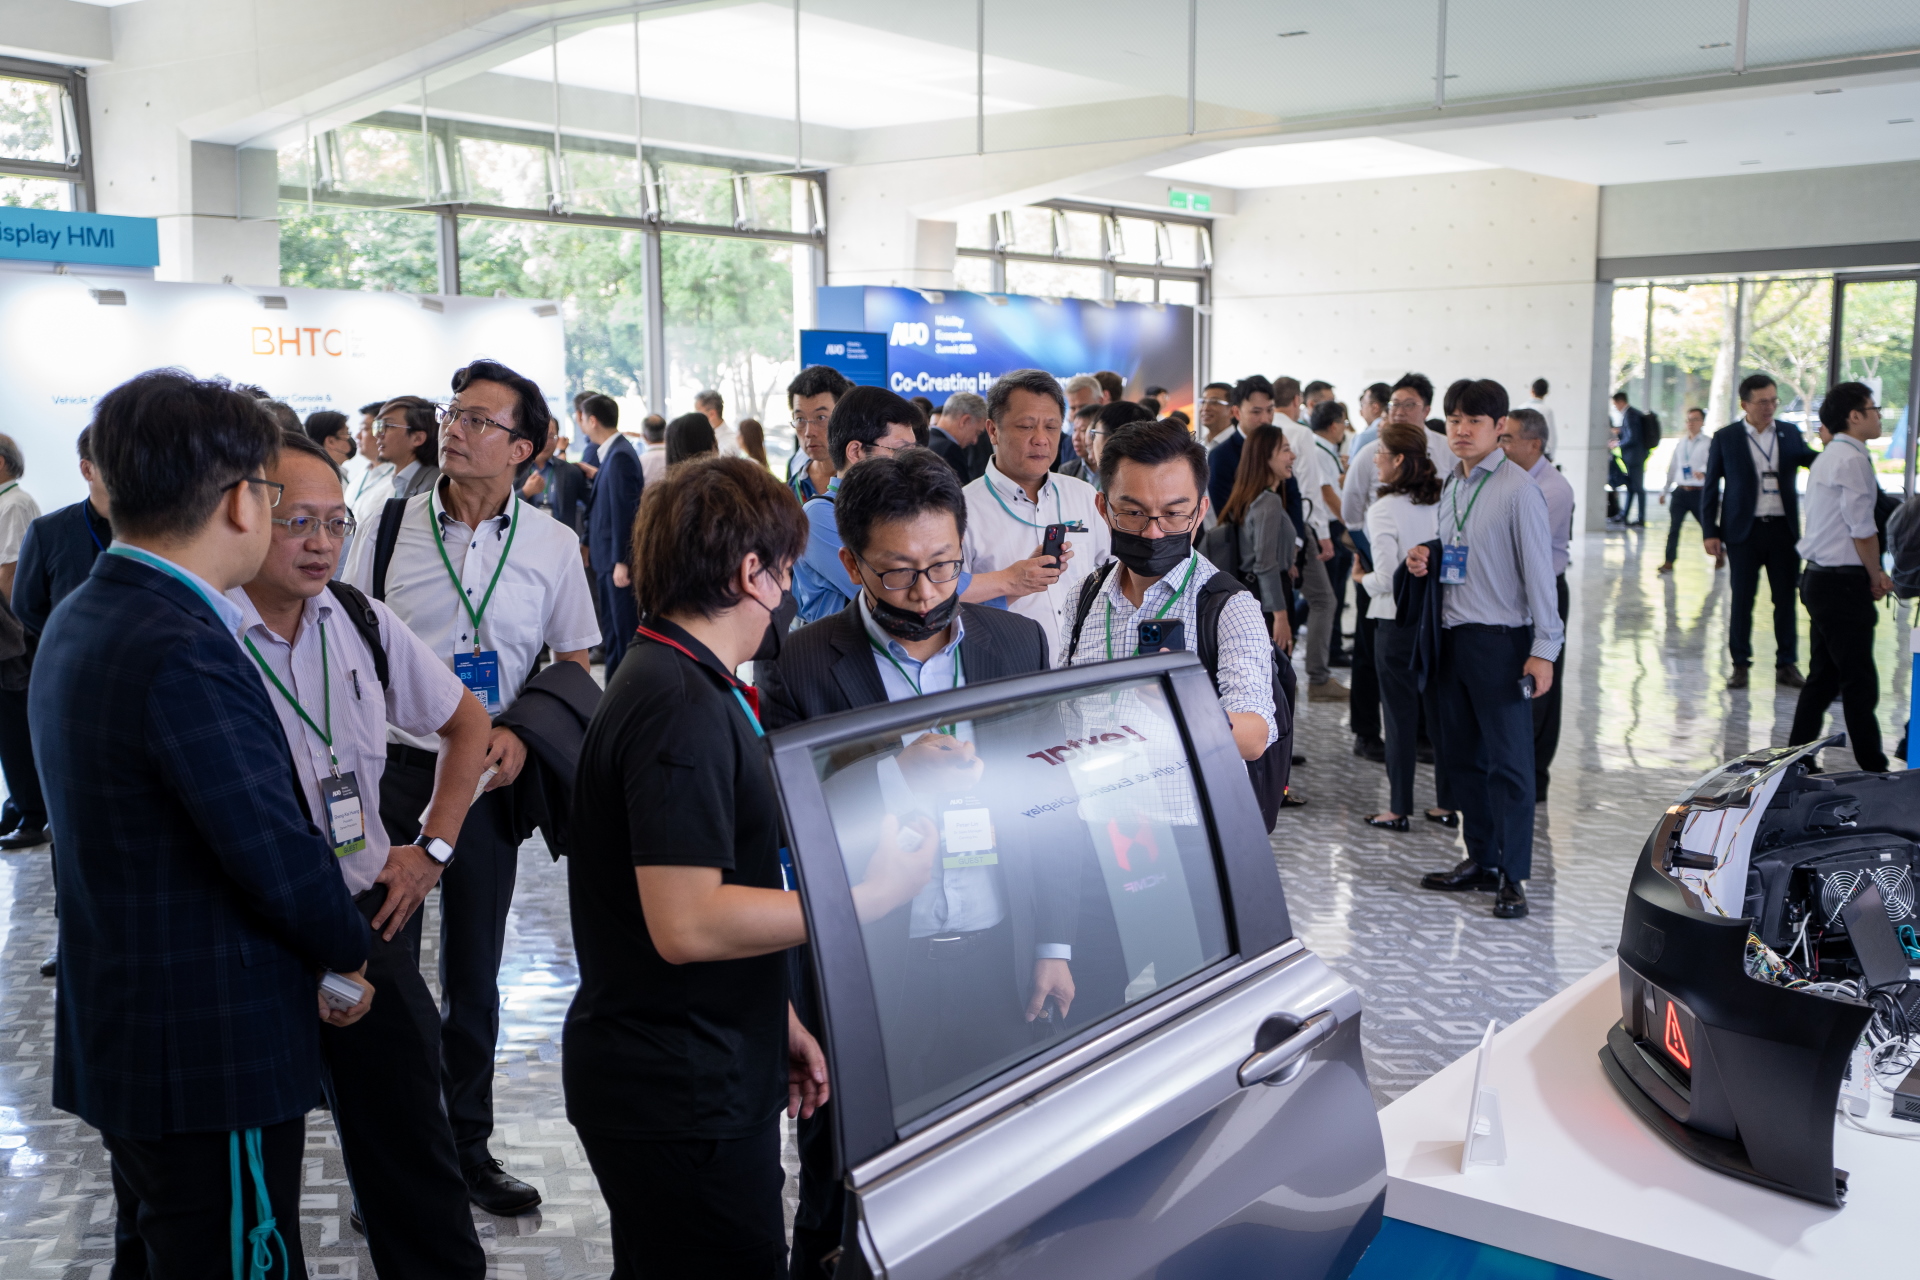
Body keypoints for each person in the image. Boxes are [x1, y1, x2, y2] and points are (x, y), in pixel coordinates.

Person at [35, 370, 370, 1271]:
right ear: (237, 501)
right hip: (208, 1053)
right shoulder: (182, 644)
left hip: (135, 1033)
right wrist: (352, 947)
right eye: (271, 494)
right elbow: (273, 855)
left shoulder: (90, 609)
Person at [563, 454, 930, 1276]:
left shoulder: (690, 678)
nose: (790, 589)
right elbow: (687, 921)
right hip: (675, 1086)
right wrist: (865, 896)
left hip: (708, 1055)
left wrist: (776, 1016)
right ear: (751, 572)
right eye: (787, 568)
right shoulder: (676, 704)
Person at [756, 447, 1055, 1278]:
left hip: (996, 945)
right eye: (897, 573)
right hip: (867, 958)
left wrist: (1054, 942)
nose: (925, 593)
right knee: (843, 1180)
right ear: (851, 563)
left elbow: (1049, 802)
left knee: (989, 1166)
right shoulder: (803, 660)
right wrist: (893, 774)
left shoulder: (1017, 643)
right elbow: (784, 813)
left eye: (943, 566)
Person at [341, 359, 601, 1216]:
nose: (455, 429)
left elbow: (573, 661)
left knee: (474, 972)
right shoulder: (386, 525)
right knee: (385, 967)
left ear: (525, 448)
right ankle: (394, 1158)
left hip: (489, 778)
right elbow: (343, 635)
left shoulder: (552, 544)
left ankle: (467, 1144)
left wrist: (522, 733)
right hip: (392, 771)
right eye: (453, 414)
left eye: (479, 420)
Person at [235, 430, 493, 1276]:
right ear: (244, 516)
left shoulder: (357, 619)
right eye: (298, 522)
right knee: (258, 1182)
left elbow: (467, 723)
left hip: (365, 919)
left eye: (336, 522)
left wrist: (432, 848)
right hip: (258, 939)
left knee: (417, 1161)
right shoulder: (208, 636)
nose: (321, 543)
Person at [1409, 378, 1562, 921]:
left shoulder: (1519, 489)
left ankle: (1513, 876)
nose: (1461, 430)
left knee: (1510, 766)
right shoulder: (1453, 484)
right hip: (1452, 638)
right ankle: (1482, 859)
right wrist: (1427, 555)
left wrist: (1545, 648)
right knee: (1462, 760)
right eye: (1454, 420)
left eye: (1474, 421)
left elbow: (1540, 575)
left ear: (1500, 427)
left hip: (1502, 643)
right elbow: (1462, 551)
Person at [1063, 419, 1277, 764]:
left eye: (1174, 514)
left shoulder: (1228, 607)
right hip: (1096, 795)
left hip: (1181, 799)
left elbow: (1254, 737)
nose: (1154, 532)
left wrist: (1185, 708)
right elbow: (1067, 711)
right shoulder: (1084, 596)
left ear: (1200, 512)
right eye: (1133, 513)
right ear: (1104, 509)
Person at [13, 428, 114, 880]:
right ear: (87, 469)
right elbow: (27, 606)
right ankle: (70, 913)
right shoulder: (50, 531)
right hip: (73, 692)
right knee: (72, 815)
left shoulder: (164, 528)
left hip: (145, 686)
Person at [959, 369, 1111, 661]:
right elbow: (942, 599)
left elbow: (1113, 573)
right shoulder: (961, 509)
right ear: (993, 430)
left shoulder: (1083, 495)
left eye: (1051, 427)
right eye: (1026, 426)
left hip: (1088, 668)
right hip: (1008, 671)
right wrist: (1010, 582)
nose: (1041, 439)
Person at [1787, 382, 1892, 772]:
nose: (1878, 415)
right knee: (1859, 681)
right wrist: (1876, 575)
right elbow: (1861, 529)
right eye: (1873, 409)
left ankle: (1796, 761)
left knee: (1825, 677)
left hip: (1821, 580)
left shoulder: (1832, 455)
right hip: (1841, 585)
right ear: (1855, 416)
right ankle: (1874, 769)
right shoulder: (1850, 459)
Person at [1701, 373, 1816, 690]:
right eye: (1762, 402)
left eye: (1773, 401)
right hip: (1743, 532)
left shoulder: (1789, 433)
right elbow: (1710, 487)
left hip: (1783, 530)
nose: (1769, 407)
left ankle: (1786, 664)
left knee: (1785, 600)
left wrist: (1837, 445)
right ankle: (1740, 665)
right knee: (1742, 601)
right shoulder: (1726, 437)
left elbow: (1811, 460)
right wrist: (1710, 531)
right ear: (1745, 404)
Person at [1360, 421, 1446, 831]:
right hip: (1439, 621)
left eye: (1380, 453)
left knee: (1397, 718)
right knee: (1440, 715)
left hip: (1396, 622)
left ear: (1397, 460)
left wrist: (1359, 579)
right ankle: (1447, 804)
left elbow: (1386, 577)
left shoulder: (1383, 509)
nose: (1375, 460)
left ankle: (1398, 808)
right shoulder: (1443, 501)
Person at [793, 387, 919, 625]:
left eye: (913, 452)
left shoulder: (899, 508)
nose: (911, 463)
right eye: (900, 451)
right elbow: (896, 592)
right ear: (856, 451)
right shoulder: (820, 515)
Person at [1500, 408, 1574, 802]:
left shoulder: (1553, 489)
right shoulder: (1511, 479)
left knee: (1541, 685)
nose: (1502, 445)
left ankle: (1535, 777)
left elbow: (1527, 551)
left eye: (1508, 438)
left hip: (1545, 592)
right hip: (1517, 591)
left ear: (1534, 444)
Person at [1215, 423, 1298, 657]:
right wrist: (1280, 615)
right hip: (1267, 597)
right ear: (1266, 457)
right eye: (1285, 450)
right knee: (1274, 668)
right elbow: (1264, 563)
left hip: (1258, 591)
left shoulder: (1250, 497)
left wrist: (1287, 560)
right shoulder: (1268, 502)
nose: (1292, 456)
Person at [0, 432, 43, 848]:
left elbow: (9, 573)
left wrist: (14, 635)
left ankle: (32, 815)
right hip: (10, 635)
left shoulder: (13, 504)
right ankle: (20, 805)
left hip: (10, 637)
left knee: (14, 727)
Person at [581, 393, 643, 673]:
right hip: (605, 557)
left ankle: (626, 690)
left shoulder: (619, 456)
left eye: (582, 419)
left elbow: (624, 513)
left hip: (614, 561)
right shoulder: (612, 454)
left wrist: (622, 561)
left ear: (593, 420)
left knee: (623, 632)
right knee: (613, 632)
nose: (582, 425)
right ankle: (615, 689)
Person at [351, 395, 441, 526]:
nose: (378, 434)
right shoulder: (402, 479)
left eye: (387, 426)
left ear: (417, 438)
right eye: (378, 426)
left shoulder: (434, 487)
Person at [1657, 406, 1712, 573]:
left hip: (1699, 492)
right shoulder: (1681, 443)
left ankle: (1719, 552)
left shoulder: (1708, 443)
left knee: (1707, 526)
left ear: (1702, 422)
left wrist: (1703, 472)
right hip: (1680, 492)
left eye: (1695, 419)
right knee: (1674, 528)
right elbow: (1673, 467)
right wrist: (1665, 490)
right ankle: (1669, 561)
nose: (1691, 423)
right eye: (1688, 420)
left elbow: (1713, 464)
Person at [1207, 374, 1271, 512]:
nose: (1265, 419)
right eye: (1256, 412)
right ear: (1236, 412)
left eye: (1270, 410)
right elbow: (1225, 512)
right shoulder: (1221, 456)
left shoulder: (1277, 448)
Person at [786, 365, 852, 501]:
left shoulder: (869, 485)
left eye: (821, 417)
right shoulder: (789, 493)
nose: (809, 432)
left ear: (844, 416)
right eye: (800, 419)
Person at [521, 418, 590, 536]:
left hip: (562, 540)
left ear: (557, 439)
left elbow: (592, 506)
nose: (545, 442)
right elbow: (499, 506)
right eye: (540, 435)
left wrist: (586, 539)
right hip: (524, 539)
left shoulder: (571, 472)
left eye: (550, 436)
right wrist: (524, 493)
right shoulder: (514, 470)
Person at [929, 390, 989, 480]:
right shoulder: (950, 451)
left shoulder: (924, 441)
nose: (975, 441)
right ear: (964, 421)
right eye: (977, 432)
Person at [1611, 391, 1650, 527]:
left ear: (1620, 402)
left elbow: (1633, 437)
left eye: (1615, 404)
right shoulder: (1632, 414)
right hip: (1634, 457)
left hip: (1635, 457)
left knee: (1638, 488)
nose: (1616, 407)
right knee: (1632, 487)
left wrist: (1618, 444)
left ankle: (1641, 518)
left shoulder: (1630, 415)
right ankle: (1625, 515)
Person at [1056, 403, 1103, 484]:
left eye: (1083, 430)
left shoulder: (1115, 471)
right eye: (1074, 430)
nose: (1075, 437)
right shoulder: (1067, 471)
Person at [1522, 378, 1557, 454]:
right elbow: (1551, 436)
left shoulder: (1520, 408)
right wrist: (1550, 454)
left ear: (1532, 390)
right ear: (1546, 392)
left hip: (1521, 451)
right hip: (1539, 452)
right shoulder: (1547, 411)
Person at [1197, 381, 1235, 447]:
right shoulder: (1199, 444)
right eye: (1203, 402)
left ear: (1232, 411)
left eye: (1213, 402)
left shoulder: (1241, 445)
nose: (1205, 408)